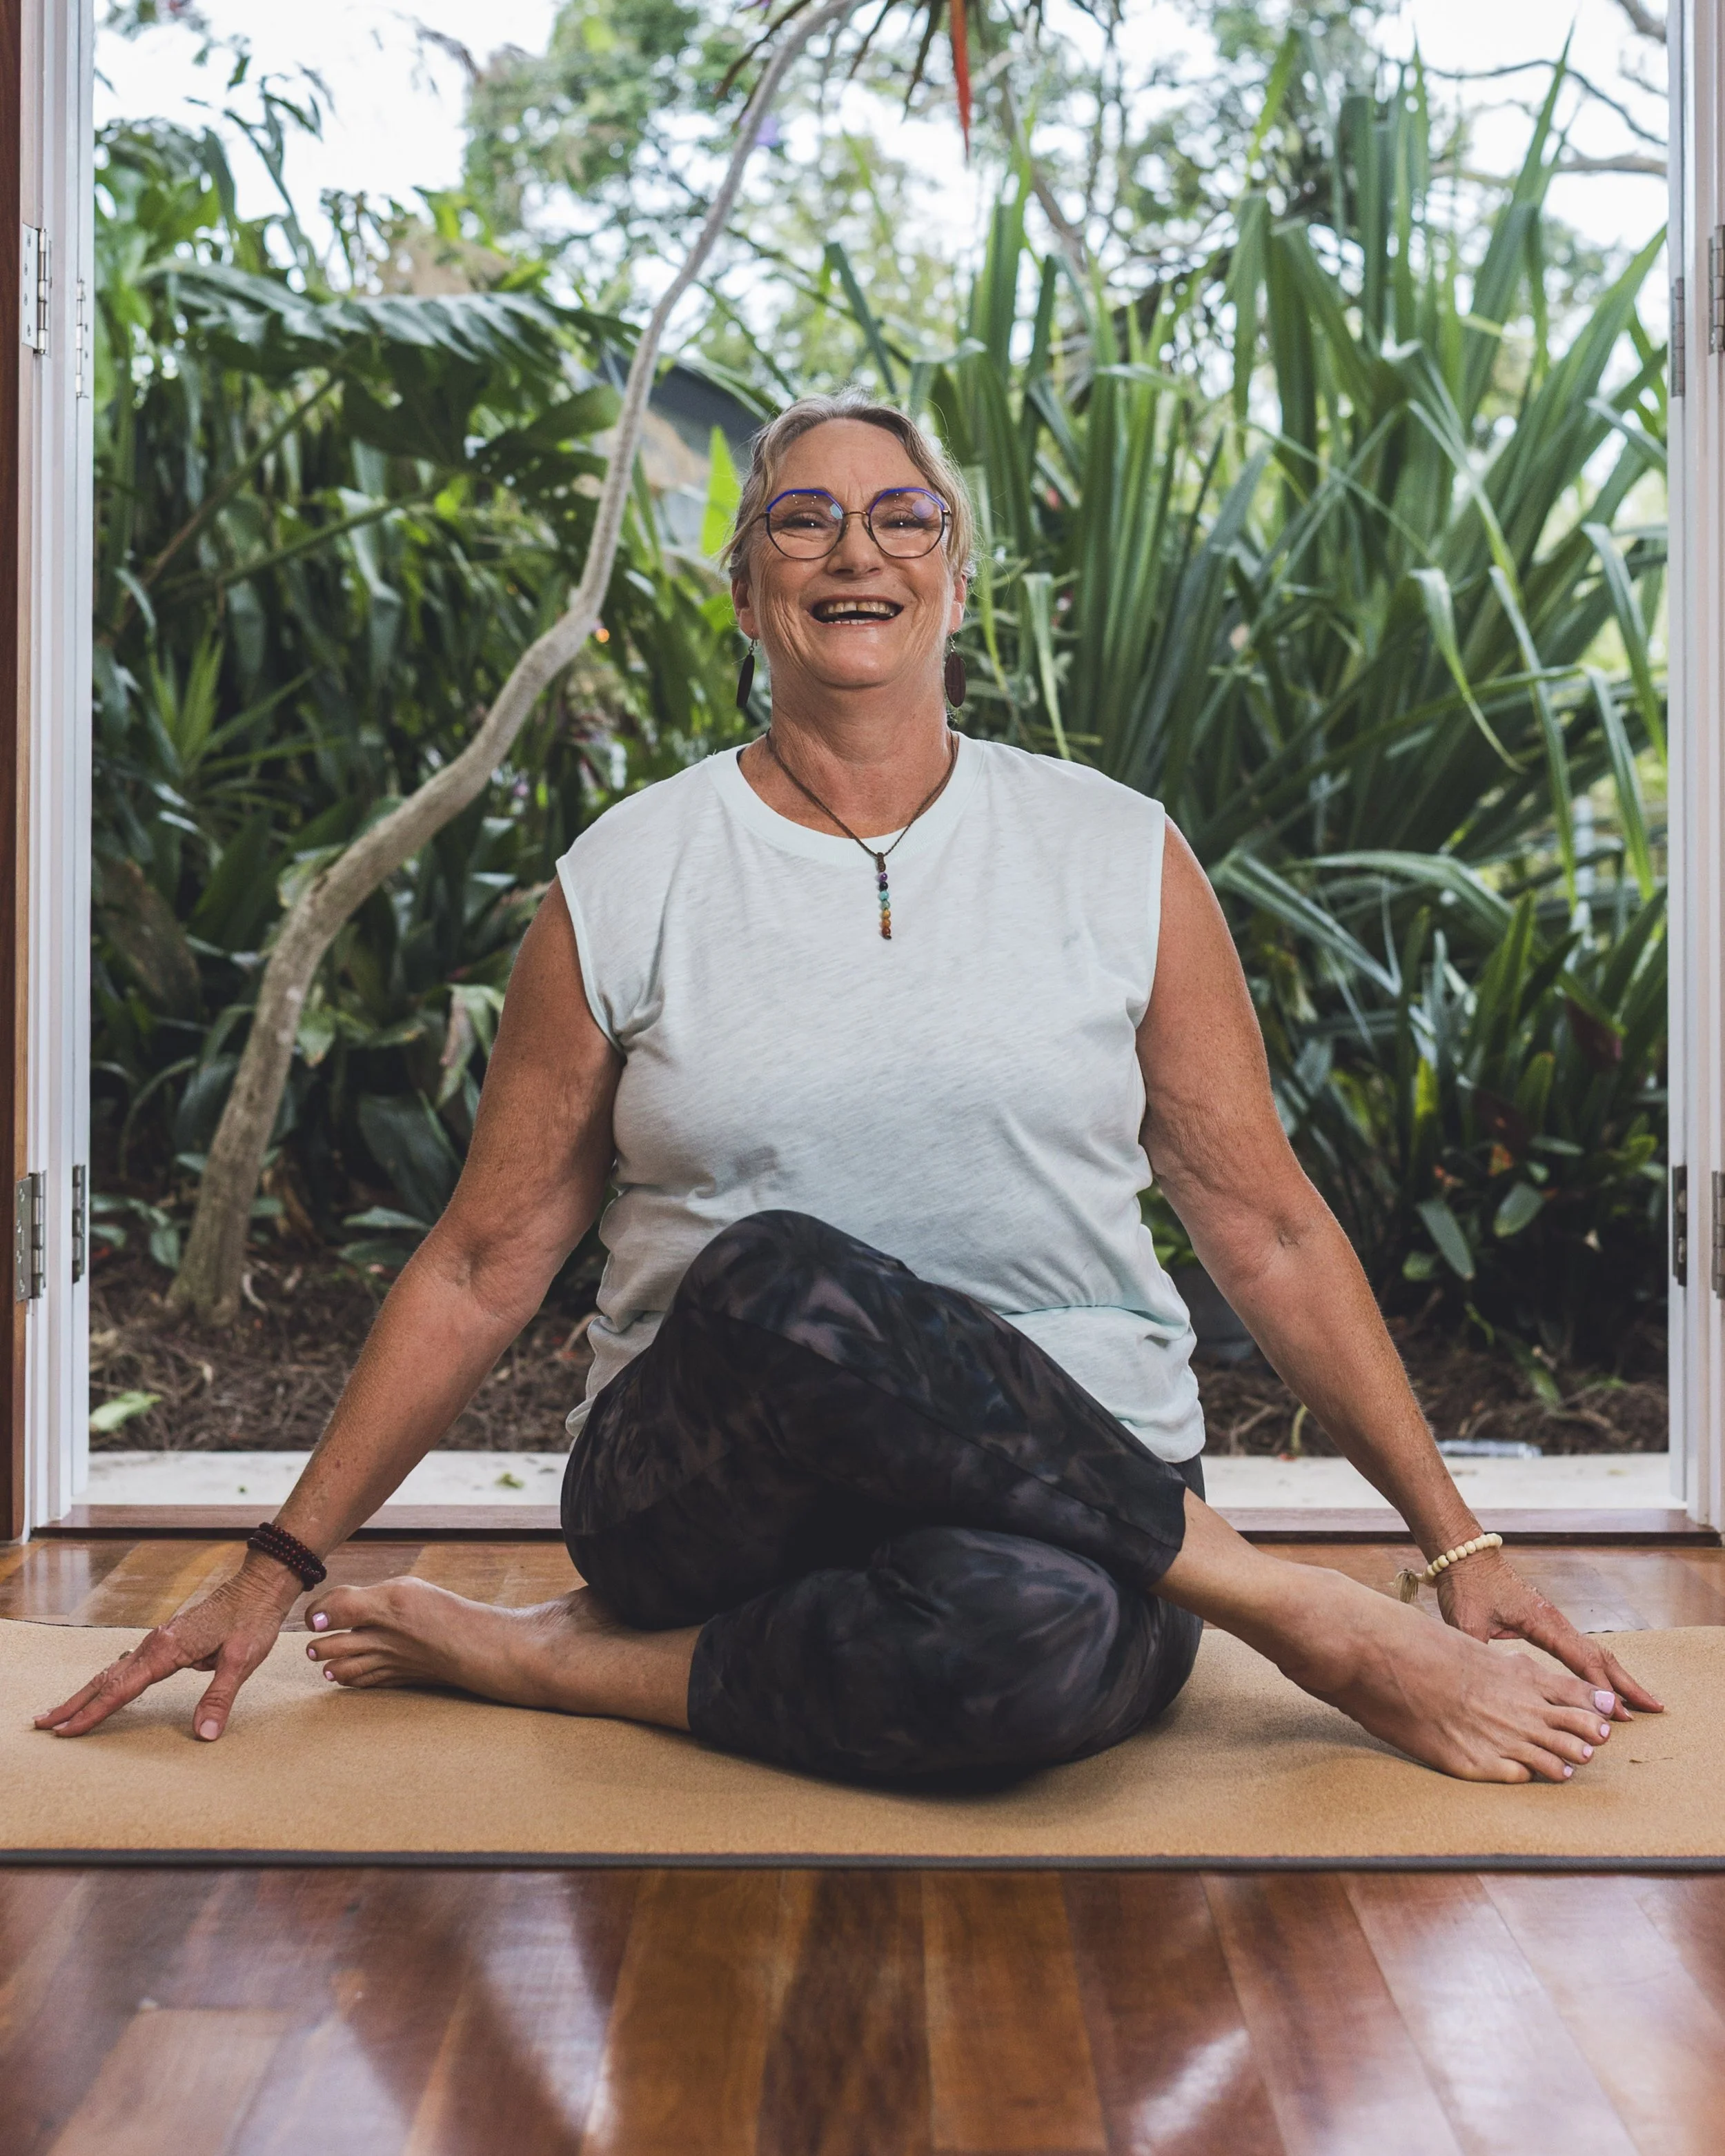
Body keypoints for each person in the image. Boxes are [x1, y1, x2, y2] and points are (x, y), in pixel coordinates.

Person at [39, 394, 1659, 1785]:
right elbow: (482, 1260)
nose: (853, 550)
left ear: (955, 578)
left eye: (902, 516)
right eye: (801, 520)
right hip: (707, 1485)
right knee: (780, 1276)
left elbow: (1267, 1227)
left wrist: (1458, 1542)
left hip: (1077, 1489)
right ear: (742, 588)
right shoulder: (630, 876)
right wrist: (274, 1558)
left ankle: (556, 1660)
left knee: (1027, 1649)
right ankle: (1307, 1614)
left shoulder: (1115, 852)